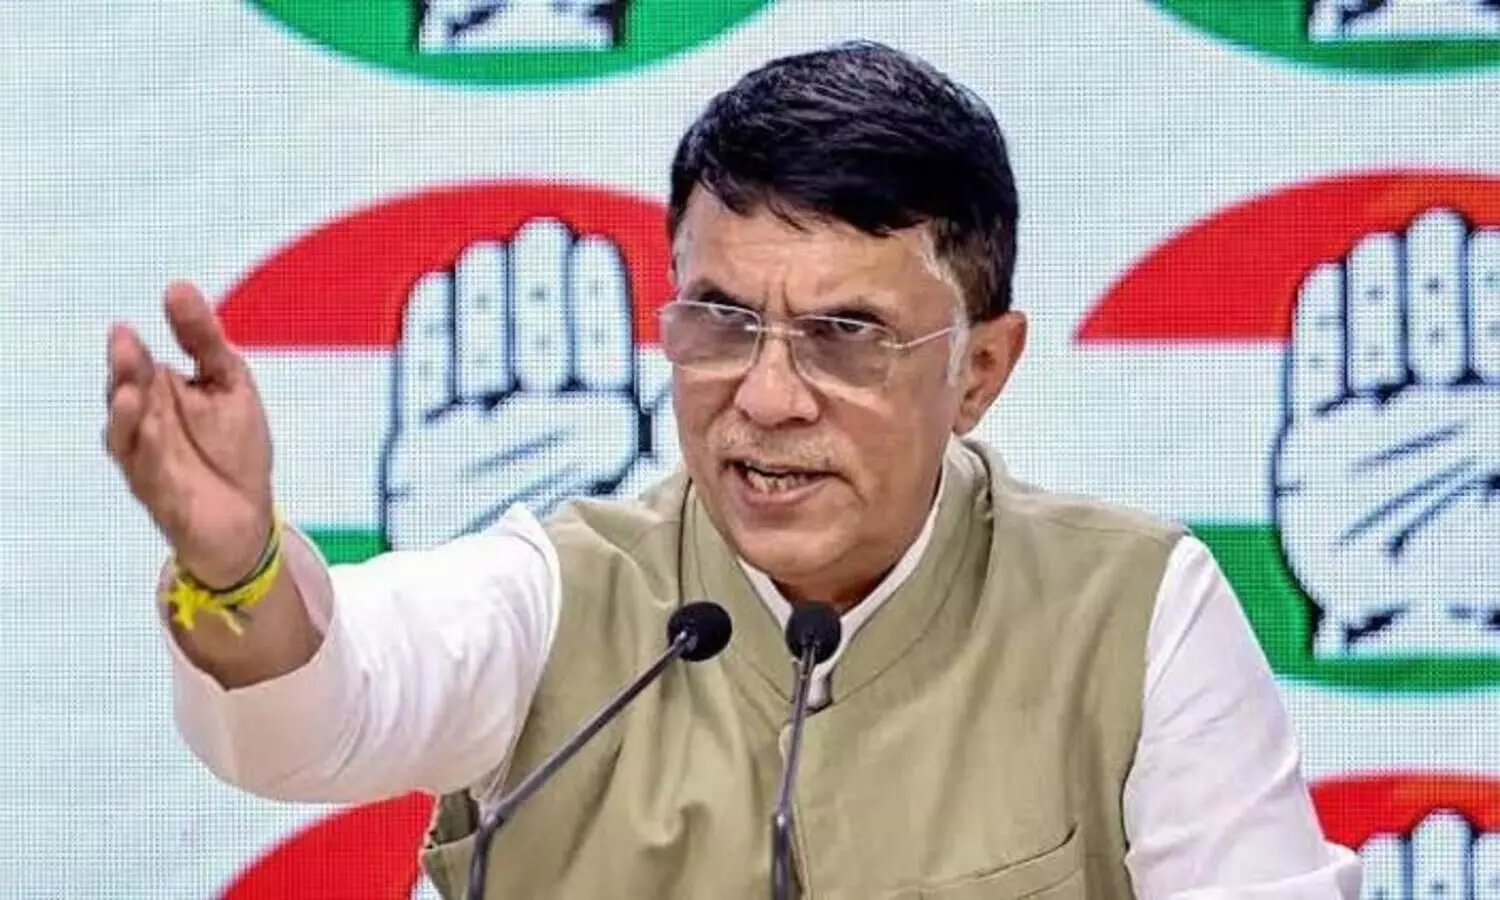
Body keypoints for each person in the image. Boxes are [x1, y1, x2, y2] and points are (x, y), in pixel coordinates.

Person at [105, 41, 1362, 899]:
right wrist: (242, 568)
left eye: (845, 335)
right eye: (719, 320)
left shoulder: (1131, 612)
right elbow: (323, 714)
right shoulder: (564, 600)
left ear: (979, 369)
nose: (764, 396)